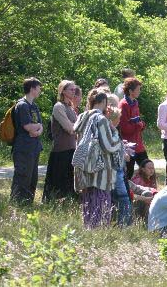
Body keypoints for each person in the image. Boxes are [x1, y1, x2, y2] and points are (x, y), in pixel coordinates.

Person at [73, 89, 121, 229]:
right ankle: (98, 231)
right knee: (100, 200)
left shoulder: (82, 117)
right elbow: (109, 146)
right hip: (100, 169)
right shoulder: (100, 119)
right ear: (103, 102)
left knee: (88, 200)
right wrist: (116, 134)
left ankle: (88, 228)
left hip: (84, 165)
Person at [42, 80, 77, 202]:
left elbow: (76, 129)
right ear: (63, 91)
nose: (74, 92)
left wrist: (76, 128)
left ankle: (67, 205)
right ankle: (53, 206)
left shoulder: (71, 108)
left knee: (69, 184)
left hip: (72, 150)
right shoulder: (58, 107)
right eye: (71, 89)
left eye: (75, 89)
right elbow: (69, 128)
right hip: (60, 151)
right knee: (57, 185)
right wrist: (76, 127)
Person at [10, 77, 43, 205]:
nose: (40, 90)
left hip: (34, 147)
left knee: (32, 178)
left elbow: (40, 125)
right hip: (23, 148)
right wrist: (35, 127)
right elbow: (27, 126)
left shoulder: (34, 105)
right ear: (32, 89)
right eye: (38, 87)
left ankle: (27, 204)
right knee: (22, 176)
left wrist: (37, 130)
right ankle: (17, 204)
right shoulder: (22, 105)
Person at [107, 105, 133, 226]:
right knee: (123, 198)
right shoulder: (111, 132)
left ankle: (120, 223)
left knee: (119, 198)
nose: (119, 121)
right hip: (115, 171)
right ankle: (123, 224)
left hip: (119, 169)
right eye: (118, 118)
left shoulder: (115, 131)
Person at [119, 77, 148, 179]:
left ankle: (150, 191)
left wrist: (142, 125)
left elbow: (138, 121)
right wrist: (138, 126)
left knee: (147, 167)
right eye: (138, 89)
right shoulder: (123, 105)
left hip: (139, 144)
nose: (139, 91)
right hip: (129, 146)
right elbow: (124, 128)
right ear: (131, 91)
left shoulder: (135, 103)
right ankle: (128, 193)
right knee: (128, 172)